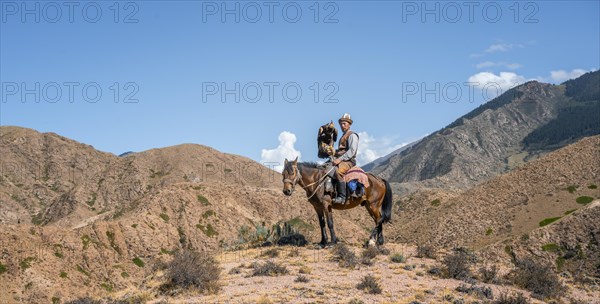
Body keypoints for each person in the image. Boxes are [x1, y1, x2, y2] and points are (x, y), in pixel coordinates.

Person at [331, 113, 359, 205]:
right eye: (341, 124)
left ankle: (342, 197)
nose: (342, 125)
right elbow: (341, 150)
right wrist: (333, 153)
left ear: (349, 124)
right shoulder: (343, 136)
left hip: (349, 161)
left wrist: (339, 159)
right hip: (342, 159)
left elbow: (352, 151)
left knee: (339, 172)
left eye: (344, 123)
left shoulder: (352, 135)